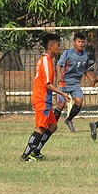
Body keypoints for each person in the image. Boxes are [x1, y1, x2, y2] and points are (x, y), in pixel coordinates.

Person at [20, 33, 71, 162]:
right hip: (42, 98)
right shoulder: (46, 61)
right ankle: (26, 155)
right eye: (58, 45)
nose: (59, 48)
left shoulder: (46, 60)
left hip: (44, 98)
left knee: (53, 126)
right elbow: (47, 84)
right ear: (50, 46)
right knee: (41, 127)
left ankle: (36, 152)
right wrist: (62, 93)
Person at [54, 32, 97, 132]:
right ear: (74, 43)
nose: (81, 44)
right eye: (79, 42)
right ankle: (52, 125)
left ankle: (69, 120)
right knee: (61, 105)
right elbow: (58, 65)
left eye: (82, 42)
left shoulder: (85, 55)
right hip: (64, 82)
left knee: (79, 101)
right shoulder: (68, 53)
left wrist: (91, 80)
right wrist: (60, 74)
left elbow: (85, 69)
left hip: (75, 83)